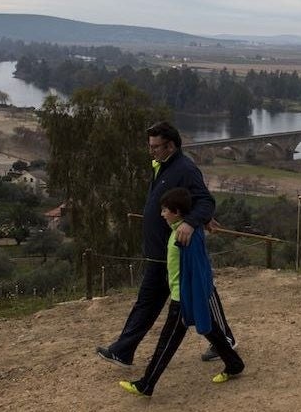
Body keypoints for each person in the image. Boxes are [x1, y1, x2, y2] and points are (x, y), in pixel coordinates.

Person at [96, 121, 237, 367]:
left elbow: (205, 200)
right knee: (149, 302)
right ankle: (123, 350)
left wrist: (192, 221)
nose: (151, 151)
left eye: (156, 147)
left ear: (170, 146)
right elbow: (182, 202)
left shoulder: (185, 168)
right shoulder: (162, 166)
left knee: (199, 294)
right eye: (150, 146)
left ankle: (224, 340)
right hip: (159, 250)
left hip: (174, 249)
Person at [119, 188, 244, 397]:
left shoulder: (185, 236)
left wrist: (192, 298)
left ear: (176, 212)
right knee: (211, 330)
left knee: (167, 342)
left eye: (165, 210)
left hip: (182, 298)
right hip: (185, 295)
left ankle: (146, 384)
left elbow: (197, 268)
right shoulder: (181, 228)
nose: (162, 214)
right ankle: (234, 364)